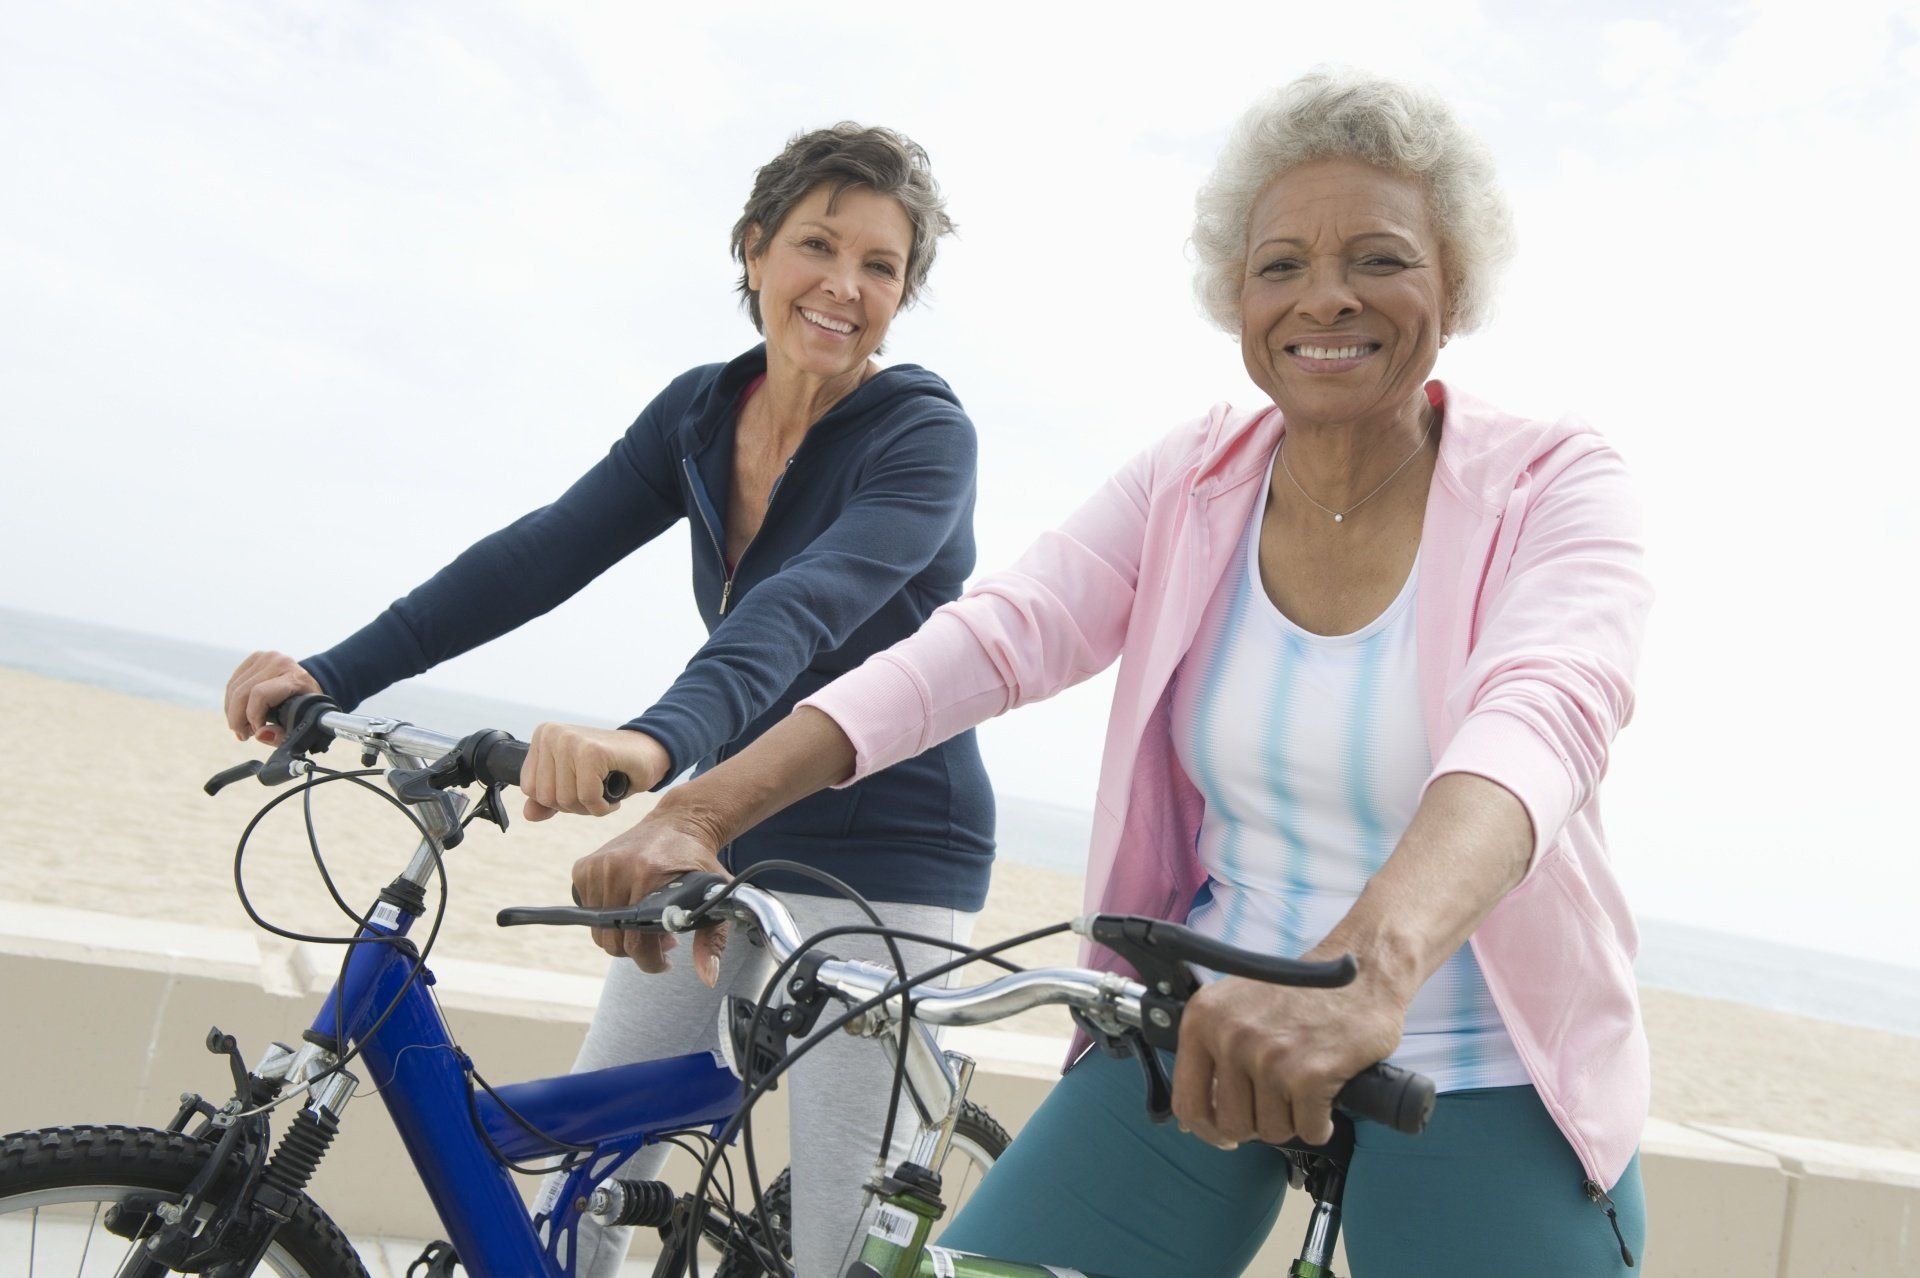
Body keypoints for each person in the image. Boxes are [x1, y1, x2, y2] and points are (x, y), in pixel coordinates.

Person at [573, 70, 1653, 1276]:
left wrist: (1365, 972)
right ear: (1237, 297)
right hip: (1199, 1035)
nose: (1324, 298)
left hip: (1478, 1065)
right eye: (1280, 264)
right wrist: (700, 810)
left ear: (1452, 282)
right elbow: (988, 641)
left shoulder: (1555, 484)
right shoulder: (1194, 482)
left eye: (1380, 259)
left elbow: (1539, 722)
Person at [222, 123, 994, 1277]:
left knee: (842, 1243)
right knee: (573, 1168)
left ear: (903, 295)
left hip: (883, 856)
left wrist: (653, 742)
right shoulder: (701, 413)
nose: (844, 286)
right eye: (815, 246)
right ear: (752, 251)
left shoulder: (923, 441)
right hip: (723, 833)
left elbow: (800, 610)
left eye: (881, 267)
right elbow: (539, 555)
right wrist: (332, 674)